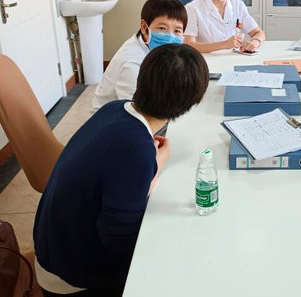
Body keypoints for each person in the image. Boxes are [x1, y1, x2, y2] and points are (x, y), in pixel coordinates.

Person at [34, 44, 209, 296]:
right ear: (190, 104)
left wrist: (152, 167)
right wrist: (151, 171)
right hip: (71, 276)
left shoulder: (115, 108)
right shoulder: (136, 150)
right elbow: (119, 238)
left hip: (54, 246)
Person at [92, 0, 186, 113]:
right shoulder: (131, 65)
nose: (170, 36)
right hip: (113, 117)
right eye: (162, 28)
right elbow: (136, 112)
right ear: (144, 27)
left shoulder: (146, 44)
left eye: (177, 31)